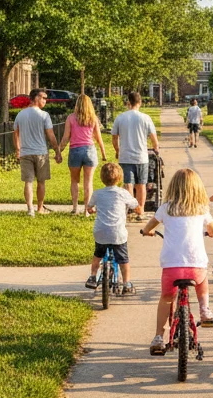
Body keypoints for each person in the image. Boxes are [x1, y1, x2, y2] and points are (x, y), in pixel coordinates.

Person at [141, 168, 213, 354]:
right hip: (196, 267)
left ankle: (159, 336)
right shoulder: (201, 209)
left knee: (167, 299)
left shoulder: (166, 208)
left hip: (172, 267)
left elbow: (148, 227)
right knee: (202, 283)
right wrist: (212, 233)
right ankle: (205, 309)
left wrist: (147, 231)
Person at [85, 162, 139, 294]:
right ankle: (126, 283)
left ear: (102, 178)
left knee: (97, 255)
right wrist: (137, 208)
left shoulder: (97, 194)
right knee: (123, 260)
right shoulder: (123, 193)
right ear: (120, 178)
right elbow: (135, 204)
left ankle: (92, 276)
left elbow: (89, 206)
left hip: (101, 232)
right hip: (118, 233)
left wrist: (92, 210)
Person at [13, 88, 61, 217]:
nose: (45, 100)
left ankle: (30, 209)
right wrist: (57, 151)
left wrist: (18, 149)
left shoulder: (20, 115)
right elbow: (51, 135)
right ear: (36, 98)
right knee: (41, 181)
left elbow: (16, 134)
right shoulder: (44, 115)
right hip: (40, 152)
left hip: (25, 153)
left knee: (28, 181)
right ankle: (40, 207)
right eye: (43, 98)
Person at [111, 91, 159, 219]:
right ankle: (141, 209)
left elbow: (114, 138)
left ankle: (130, 208)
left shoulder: (120, 117)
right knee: (141, 184)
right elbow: (154, 138)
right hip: (141, 157)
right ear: (140, 102)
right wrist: (156, 148)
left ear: (128, 102)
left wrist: (117, 150)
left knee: (128, 184)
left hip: (125, 156)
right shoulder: (145, 118)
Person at [61, 94, 108, 215]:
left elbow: (66, 137)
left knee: (74, 180)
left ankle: (75, 208)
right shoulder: (93, 118)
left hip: (75, 151)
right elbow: (98, 137)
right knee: (88, 182)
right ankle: (87, 210)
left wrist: (58, 151)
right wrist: (103, 153)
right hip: (90, 150)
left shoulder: (71, 118)